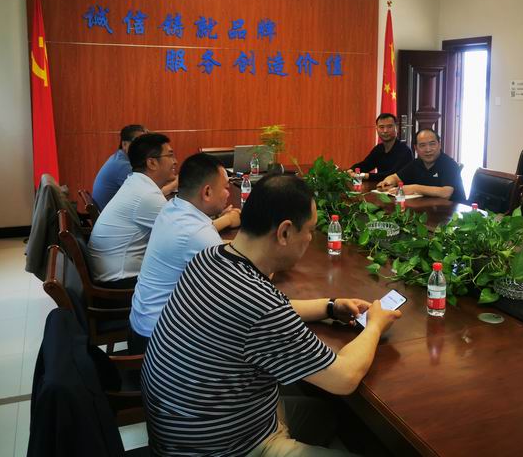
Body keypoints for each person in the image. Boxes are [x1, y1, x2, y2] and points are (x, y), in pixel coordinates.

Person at [141, 174, 402, 456]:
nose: (310, 238)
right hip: (224, 447)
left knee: (325, 415)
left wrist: (330, 305)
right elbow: (344, 377)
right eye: (309, 230)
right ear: (285, 232)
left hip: (184, 427)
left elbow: (264, 312)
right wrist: (375, 325)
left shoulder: (211, 257)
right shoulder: (259, 304)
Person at [129, 152, 241, 353]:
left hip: (142, 325)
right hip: (160, 342)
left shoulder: (172, 207)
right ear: (207, 192)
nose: (228, 193)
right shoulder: (198, 233)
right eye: (225, 187)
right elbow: (237, 290)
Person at [87, 133, 178, 288]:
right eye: (170, 155)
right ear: (152, 163)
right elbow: (184, 235)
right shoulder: (146, 195)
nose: (175, 161)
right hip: (119, 281)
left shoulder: (136, 183)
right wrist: (223, 218)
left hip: (110, 271)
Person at [377, 128, 467, 204]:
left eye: (432, 144)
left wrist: (414, 188)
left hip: (453, 212)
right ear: (416, 148)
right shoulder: (416, 163)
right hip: (427, 209)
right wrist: (387, 182)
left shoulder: (449, 164)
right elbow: (395, 177)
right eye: (422, 145)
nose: (428, 149)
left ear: (439, 145)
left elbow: (446, 193)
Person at [91, 124, 146, 210]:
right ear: (124, 144)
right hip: (111, 216)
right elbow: (145, 195)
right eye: (139, 142)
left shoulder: (119, 158)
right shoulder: (122, 165)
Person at [347, 113, 412, 183]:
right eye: (381, 127)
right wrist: (351, 170)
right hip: (381, 187)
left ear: (397, 128)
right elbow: (365, 165)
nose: (385, 131)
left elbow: (392, 175)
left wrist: (365, 175)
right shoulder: (378, 149)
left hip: (400, 188)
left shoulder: (405, 151)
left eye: (389, 127)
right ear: (377, 129)